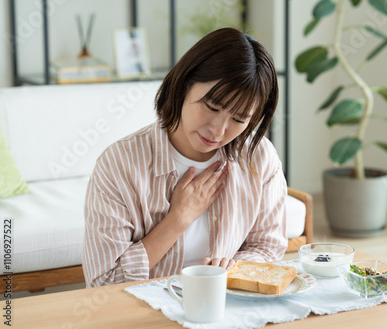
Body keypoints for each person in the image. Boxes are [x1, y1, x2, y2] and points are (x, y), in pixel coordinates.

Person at [82, 27, 287, 288]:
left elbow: (267, 246)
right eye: (211, 106)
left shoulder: (259, 159)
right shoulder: (119, 164)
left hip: (226, 308)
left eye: (239, 119)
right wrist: (178, 218)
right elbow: (103, 284)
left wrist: (235, 268)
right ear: (183, 84)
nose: (218, 130)